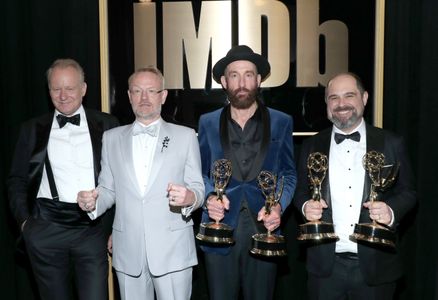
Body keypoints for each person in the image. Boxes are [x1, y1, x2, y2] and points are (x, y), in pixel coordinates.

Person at [77, 66, 205, 300]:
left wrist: (190, 198)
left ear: (163, 96)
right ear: (129, 96)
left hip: (173, 250)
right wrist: (92, 202)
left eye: (151, 91)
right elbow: (108, 189)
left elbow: (198, 187)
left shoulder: (185, 136)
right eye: (137, 91)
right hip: (128, 249)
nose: (144, 98)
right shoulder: (112, 138)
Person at [294, 72, 416, 299]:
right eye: (333, 98)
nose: (341, 104)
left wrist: (390, 211)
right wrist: (304, 207)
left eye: (349, 96)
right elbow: (300, 190)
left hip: (377, 267)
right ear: (326, 104)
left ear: (365, 98)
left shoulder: (391, 142)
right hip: (325, 268)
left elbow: (408, 191)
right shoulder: (311, 144)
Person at [7, 58, 119, 300]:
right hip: (46, 228)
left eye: (69, 88)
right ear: (49, 92)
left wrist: (116, 228)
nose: (63, 95)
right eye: (56, 88)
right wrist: (26, 223)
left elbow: (121, 182)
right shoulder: (31, 129)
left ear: (84, 89)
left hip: (92, 230)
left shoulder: (108, 125)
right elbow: (16, 179)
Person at [198, 45, 297, 300]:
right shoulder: (207, 122)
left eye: (249, 74)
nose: (242, 82)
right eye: (234, 75)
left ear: (259, 79)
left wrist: (279, 207)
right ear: (224, 81)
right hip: (219, 226)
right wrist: (210, 197)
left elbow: (288, 173)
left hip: (264, 227)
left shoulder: (281, 121)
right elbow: (200, 172)